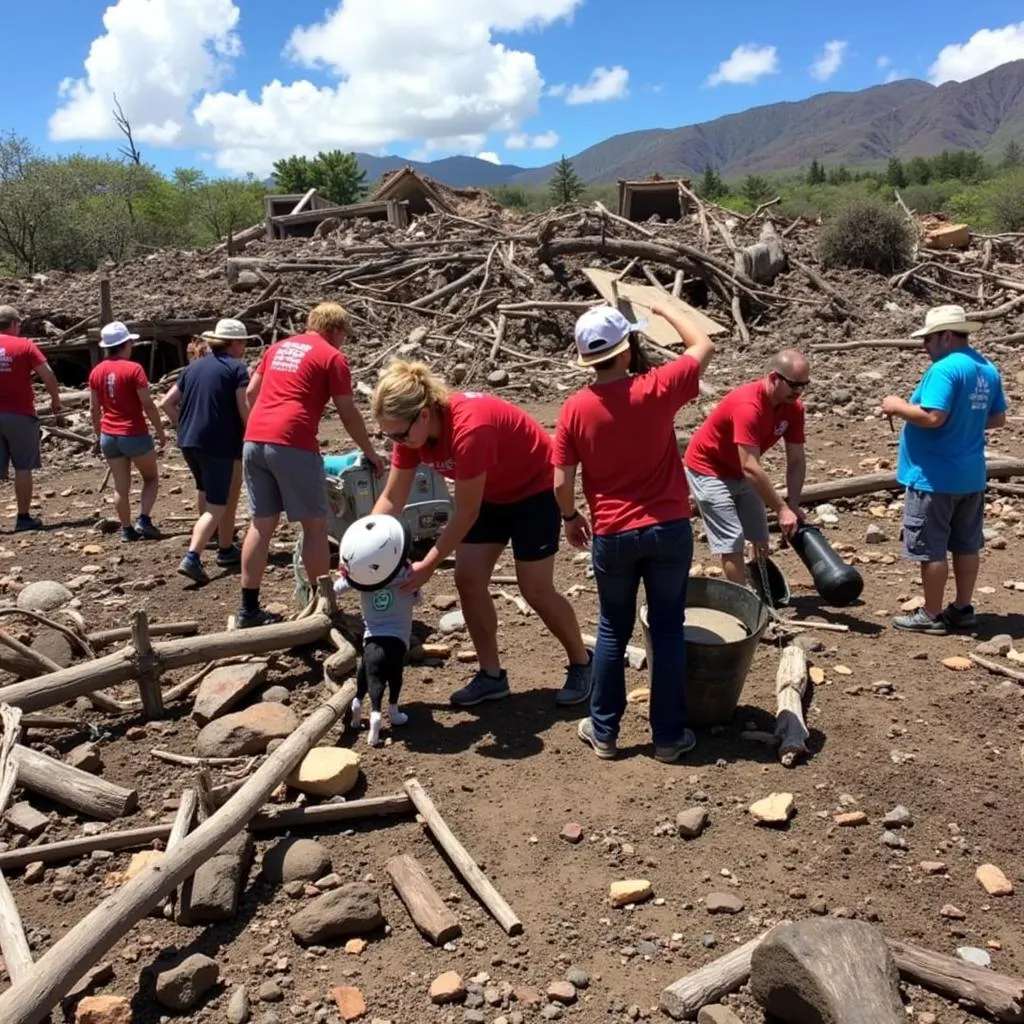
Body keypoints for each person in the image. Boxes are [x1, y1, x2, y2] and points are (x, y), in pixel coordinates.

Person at [371, 361, 592, 708]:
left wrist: (428, 564)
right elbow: (391, 497)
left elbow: (465, 512)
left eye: (399, 435)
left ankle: (583, 663)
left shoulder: (470, 428)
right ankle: (492, 676)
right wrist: (362, 548)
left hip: (534, 490)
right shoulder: (410, 434)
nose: (397, 442)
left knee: (534, 588)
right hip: (490, 493)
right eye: (390, 436)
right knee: (468, 579)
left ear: (425, 414)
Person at [553, 304, 715, 762]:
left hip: (613, 532)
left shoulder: (575, 409)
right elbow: (703, 345)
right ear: (627, 351)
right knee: (667, 629)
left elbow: (561, 478)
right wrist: (665, 309)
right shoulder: (657, 387)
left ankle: (604, 731)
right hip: (667, 527)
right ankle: (668, 737)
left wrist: (570, 517)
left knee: (612, 629)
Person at [238, 302, 383, 628]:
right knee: (315, 527)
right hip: (292, 442)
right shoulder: (332, 356)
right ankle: (324, 605)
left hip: (254, 441)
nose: (344, 341)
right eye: (344, 334)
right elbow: (348, 412)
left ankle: (248, 609)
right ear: (335, 330)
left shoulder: (277, 348)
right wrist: (370, 451)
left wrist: (262, 425)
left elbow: (250, 393)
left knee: (261, 525)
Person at [882, 305, 1007, 635]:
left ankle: (932, 613)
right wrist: (966, 423)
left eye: (929, 339)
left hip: (935, 475)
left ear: (946, 336)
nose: (925, 346)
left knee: (931, 548)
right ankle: (963, 608)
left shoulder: (945, 369)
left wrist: (897, 406)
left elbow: (933, 416)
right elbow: (997, 418)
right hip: (971, 474)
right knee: (966, 544)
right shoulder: (986, 368)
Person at [684, 350, 809, 583]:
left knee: (759, 535)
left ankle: (761, 587)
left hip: (742, 472)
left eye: (804, 385)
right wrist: (781, 509)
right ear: (774, 378)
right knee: (732, 540)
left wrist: (792, 504)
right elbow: (750, 466)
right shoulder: (748, 406)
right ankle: (742, 603)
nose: (798, 392)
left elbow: (796, 460)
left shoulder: (793, 408)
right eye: (794, 385)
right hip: (709, 469)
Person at [161, 319, 254, 585]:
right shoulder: (237, 369)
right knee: (216, 505)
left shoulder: (193, 368)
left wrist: (185, 425)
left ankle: (226, 548)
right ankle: (193, 556)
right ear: (234, 343)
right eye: (243, 342)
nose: (245, 346)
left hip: (190, 441)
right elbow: (243, 407)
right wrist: (254, 432)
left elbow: (167, 403)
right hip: (220, 443)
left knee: (224, 492)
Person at [334, 513, 421, 747]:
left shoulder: (359, 577)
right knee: (394, 677)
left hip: (371, 639)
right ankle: (392, 711)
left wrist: (346, 573)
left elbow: (337, 587)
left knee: (366, 679)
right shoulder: (405, 575)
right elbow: (417, 600)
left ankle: (357, 710)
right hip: (397, 639)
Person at [88, 321, 167, 542]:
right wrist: (159, 430)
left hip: (109, 435)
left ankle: (126, 529)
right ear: (126, 344)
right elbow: (148, 404)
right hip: (133, 432)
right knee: (150, 478)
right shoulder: (134, 369)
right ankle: (144, 518)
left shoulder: (96, 371)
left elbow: (94, 407)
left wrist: (97, 434)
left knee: (121, 486)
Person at [0, 306, 62, 531]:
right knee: (22, 466)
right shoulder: (25, 345)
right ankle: (23, 517)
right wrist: (56, 400)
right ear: (15, 324)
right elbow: (48, 374)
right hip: (20, 414)